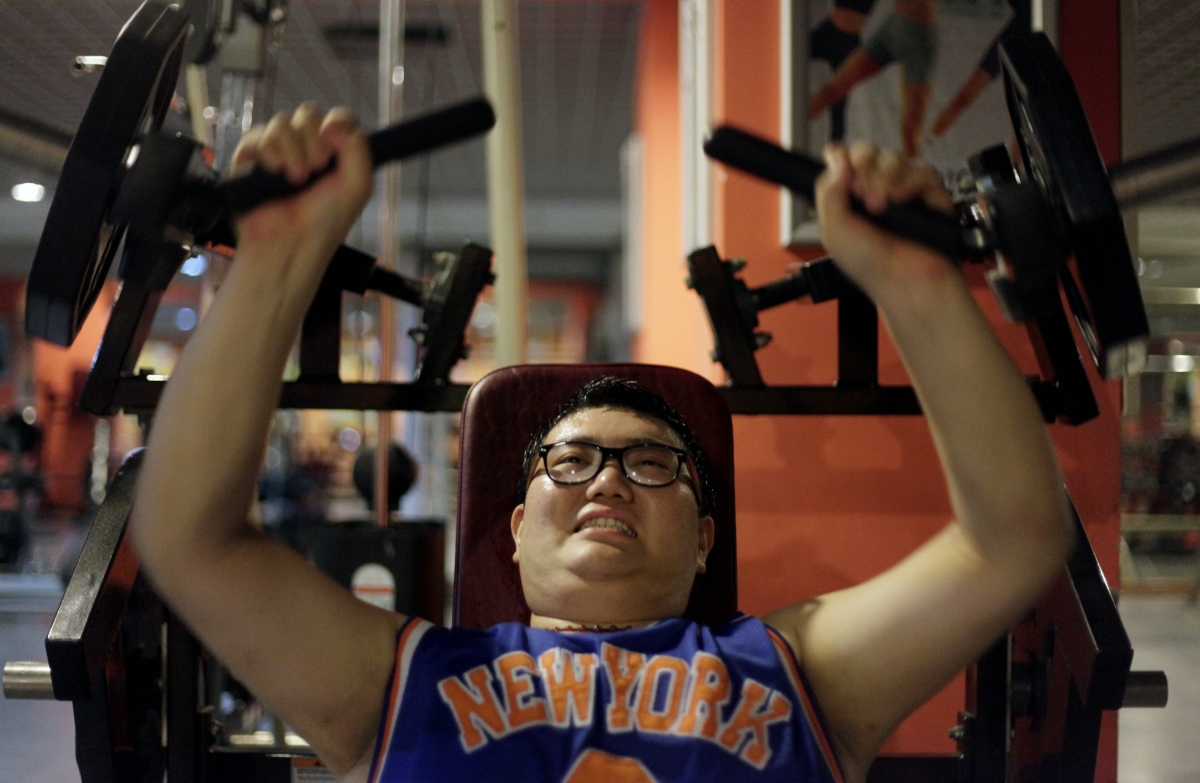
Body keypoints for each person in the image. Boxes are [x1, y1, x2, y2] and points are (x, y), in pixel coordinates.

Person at [129, 105, 1073, 782]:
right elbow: (191, 538)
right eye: (569, 461)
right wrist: (278, 260)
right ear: (512, 527)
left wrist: (917, 286)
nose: (607, 482)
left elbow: (1012, 541)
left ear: (705, 536)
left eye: (652, 462)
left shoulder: (800, 667)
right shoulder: (402, 678)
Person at [809, 0, 940, 157]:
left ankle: (913, 178)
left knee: (911, 129)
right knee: (833, 89)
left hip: (920, 37)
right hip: (893, 26)